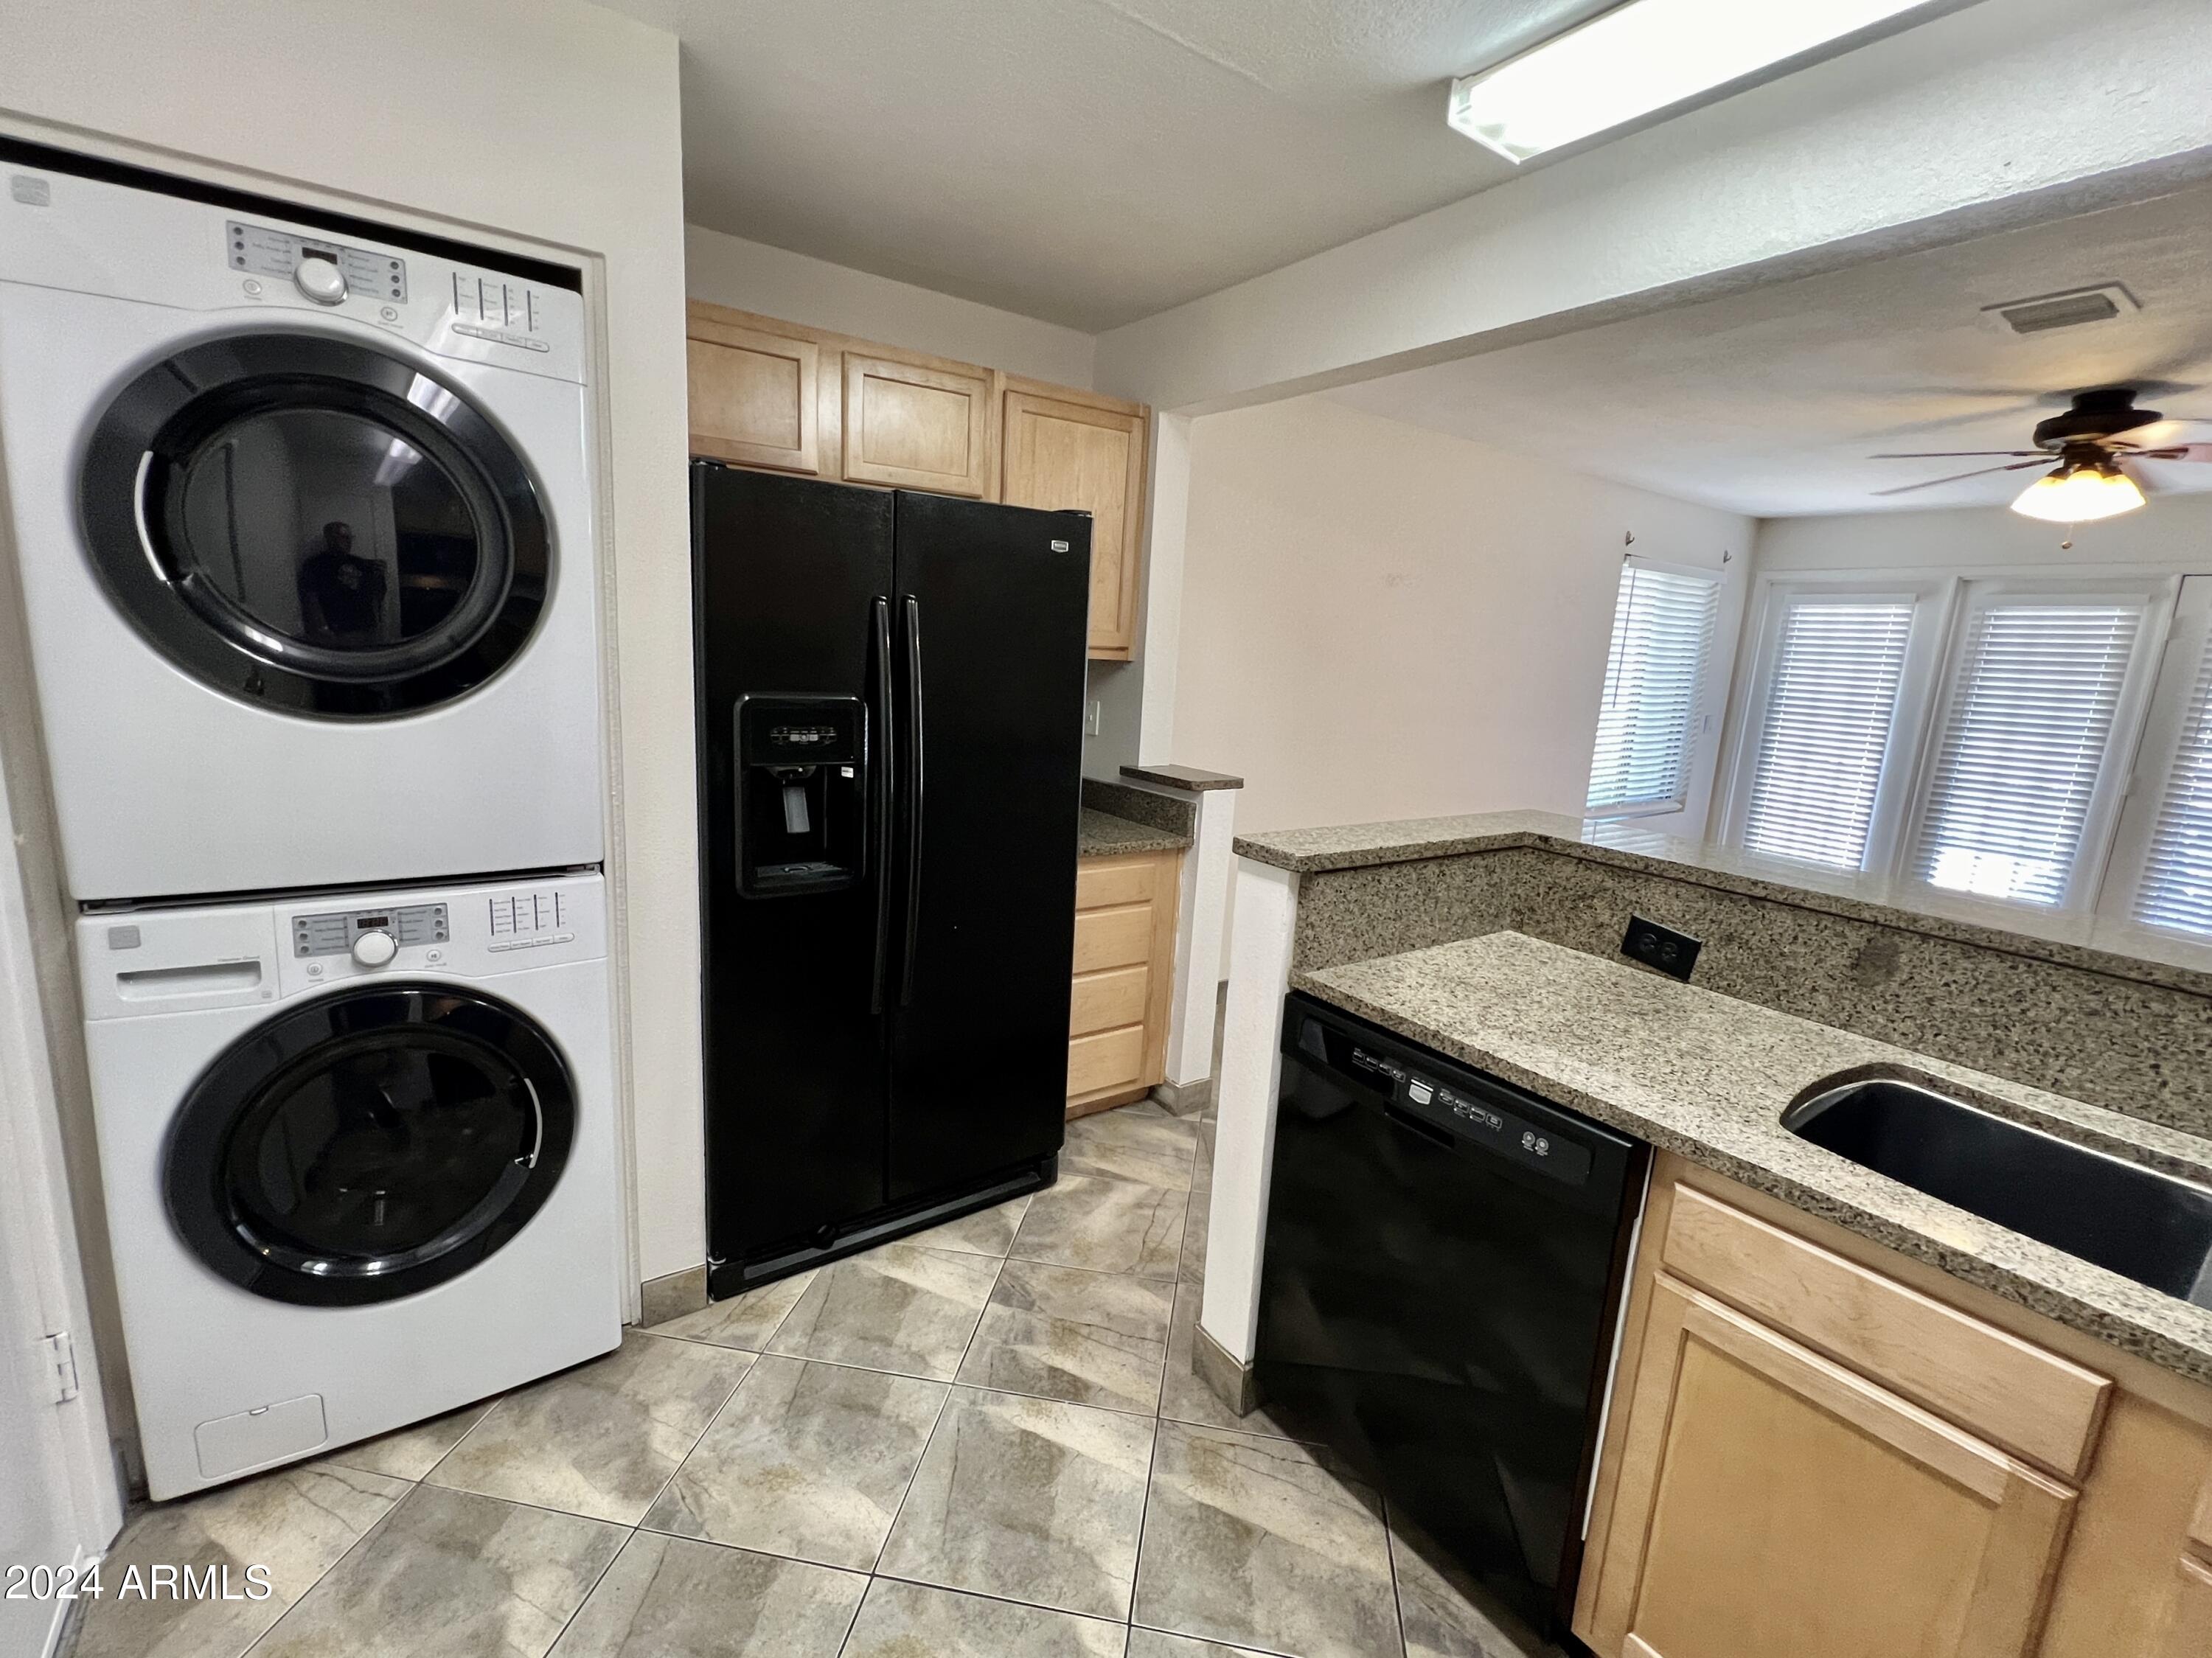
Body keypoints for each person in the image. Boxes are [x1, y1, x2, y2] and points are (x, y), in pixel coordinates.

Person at [296, 520, 388, 644]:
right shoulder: (316, 564)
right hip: (338, 632)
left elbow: (377, 595)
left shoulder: (361, 563)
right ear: (329, 539)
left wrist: (379, 576)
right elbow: (310, 597)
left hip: (367, 628)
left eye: (349, 537)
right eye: (342, 537)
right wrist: (322, 628)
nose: (348, 541)